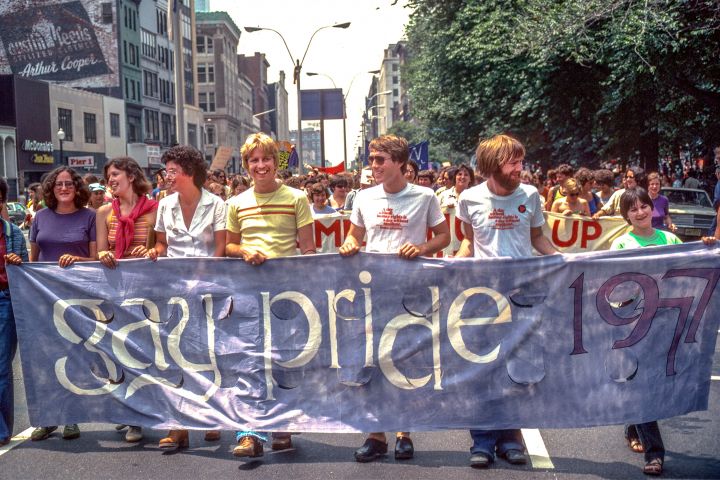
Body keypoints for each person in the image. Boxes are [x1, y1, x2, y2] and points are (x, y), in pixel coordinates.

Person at [339, 134, 450, 463]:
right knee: (371, 362)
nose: (374, 166)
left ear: (400, 163)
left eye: (380, 160)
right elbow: (354, 236)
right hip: (372, 291)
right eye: (372, 159)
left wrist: (421, 248)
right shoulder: (363, 198)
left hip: (410, 290)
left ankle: (404, 431)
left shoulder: (425, 196)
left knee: (404, 361)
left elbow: (444, 236)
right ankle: (375, 435)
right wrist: (349, 245)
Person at [455, 134, 557, 469]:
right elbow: (468, 244)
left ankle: (511, 439)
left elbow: (537, 237)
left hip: (523, 297)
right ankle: (482, 440)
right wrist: (452, 267)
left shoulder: (530, 194)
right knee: (483, 370)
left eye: (520, 162)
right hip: (483, 299)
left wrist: (563, 260)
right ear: (493, 165)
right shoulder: (469, 198)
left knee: (516, 369)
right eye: (513, 162)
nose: (519, 169)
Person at [608, 187, 711, 476]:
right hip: (636, 324)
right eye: (633, 208)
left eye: (644, 206)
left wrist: (706, 246)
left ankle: (634, 424)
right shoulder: (621, 245)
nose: (640, 212)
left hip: (668, 322)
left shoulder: (670, 239)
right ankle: (655, 454)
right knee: (642, 384)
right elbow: (614, 285)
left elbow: (690, 267)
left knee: (659, 383)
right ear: (625, 215)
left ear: (652, 208)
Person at [226, 133, 315, 459]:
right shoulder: (235, 203)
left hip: (287, 293)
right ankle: (249, 433)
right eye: (253, 160)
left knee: (284, 360)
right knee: (249, 360)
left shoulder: (297, 198)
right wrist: (244, 250)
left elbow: (308, 249)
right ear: (247, 165)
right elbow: (228, 246)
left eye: (265, 159)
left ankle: (283, 426)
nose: (260, 165)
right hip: (248, 292)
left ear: (274, 162)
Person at [143, 145, 227, 451]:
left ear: (189, 173)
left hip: (208, 290)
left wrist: (205, 276)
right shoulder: (164, 205)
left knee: (209, 354)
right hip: (174, 290)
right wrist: (155, 251)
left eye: (173, 171)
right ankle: (178, 425)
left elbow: (219, 247)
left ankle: (212, 417)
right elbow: (163, 243)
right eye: (167, 171)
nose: (167, 176)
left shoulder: (216, 204)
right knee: (174, 354)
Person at [26, 167, 97, 442]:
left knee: (72, 357)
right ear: (51, 189)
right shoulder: (40, 217)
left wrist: (77, 261)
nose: (64, 187)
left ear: (77, 188)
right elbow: (33, 260)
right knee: (45, 358)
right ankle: (47, 418)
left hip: (77, 296)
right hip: (44, 297)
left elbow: (95, 259)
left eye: (69, 183)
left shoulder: (89, 217)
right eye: (58, 184)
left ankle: (71, 417)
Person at [96, 157, 158, 443]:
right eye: (108, 175)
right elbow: (98, 251)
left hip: (147, 292)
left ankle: (143, 412)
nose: (110, 179)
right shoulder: (103, 212)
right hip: (114, 292)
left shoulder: (155, 210)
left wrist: (152, 251)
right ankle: (130, 414)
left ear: (131, 175)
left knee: (143, 354)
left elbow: (161, 245)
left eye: (115, 173)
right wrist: (103, 255)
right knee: (117, 353)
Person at [0, 177, 29, 447]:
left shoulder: (13, 234)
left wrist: (18, 263)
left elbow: (28, 276)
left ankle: (1, 431)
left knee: (1, 366)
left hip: (5, 301)